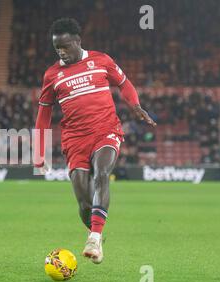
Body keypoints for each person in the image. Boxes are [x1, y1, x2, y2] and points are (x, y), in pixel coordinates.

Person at [34, 18, 156, 264]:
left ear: (78, 41)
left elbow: (124, 83)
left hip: (106, 130)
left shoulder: (101, 60)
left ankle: (94, 237)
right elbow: (43, 114)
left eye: (66, 46)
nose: (62, 51)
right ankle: (95, 236)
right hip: (75, 138)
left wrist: (136, 106)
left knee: (102, 174)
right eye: (57, 47)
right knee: (83, 202)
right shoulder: (52, 75)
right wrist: (39, 152)